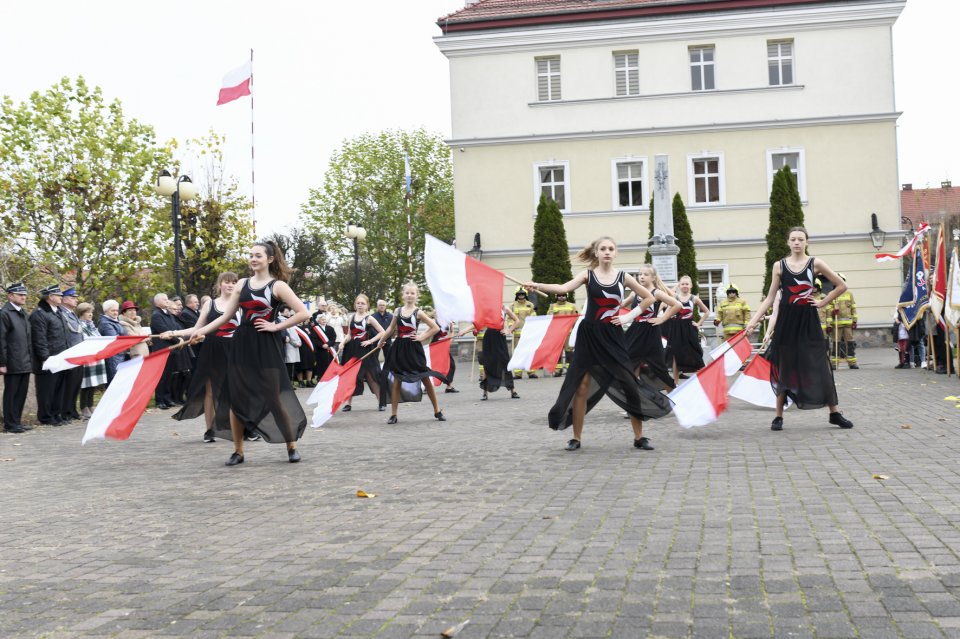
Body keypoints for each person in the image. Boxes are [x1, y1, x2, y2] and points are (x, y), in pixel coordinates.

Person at [525, 237, 672, 451]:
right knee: (582, 386)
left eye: (611, 248)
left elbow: (648, 298)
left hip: (613, 336)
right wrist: (535, 284)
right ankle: (576, 438)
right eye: (603, 248)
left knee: (629, 384)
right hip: (590, 336)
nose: (607, 252)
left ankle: (639, 437)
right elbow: (562, 287)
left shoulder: (624, 277)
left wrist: (627, 317)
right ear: (596, 252)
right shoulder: (588, 275)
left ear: (615, 252)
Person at [182, 243, 310, 465]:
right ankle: (238, 451)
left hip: (266, 344)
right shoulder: (242, 284)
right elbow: (224, 317)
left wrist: (276, 327)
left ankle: (291, 445)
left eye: (258, 255)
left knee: (273, 397)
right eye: (250, 255)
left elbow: (303, 312)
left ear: (269, 259)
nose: (252, 259)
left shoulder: (277, 286)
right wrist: (199, 332)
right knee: (235, 399)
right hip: (241, 343)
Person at [745, 226, 853, 431]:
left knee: (820, 365)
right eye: (793, 239)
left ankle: (835, 413)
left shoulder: (815, 263)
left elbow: (841, 286)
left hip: (808, 321)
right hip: (786, 321)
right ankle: (778, 417)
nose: (796, 242)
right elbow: (769, 298)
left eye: (800, 239)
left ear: (806, 242)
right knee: (783, 366)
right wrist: (753, 322)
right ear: (788, 242)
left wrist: (822, 303)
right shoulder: (779, 266)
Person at [171, 272, 240, 444]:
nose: (230, 285)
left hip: (235, 349)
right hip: (213, 350)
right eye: (226, 282)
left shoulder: (242, 304)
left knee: (237, 390)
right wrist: (173, 333)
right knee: (210, 391)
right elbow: (196, 328)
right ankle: (210, 430)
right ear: (220, 284)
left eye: (233, 282)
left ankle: (244, 427)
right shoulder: (210, 304)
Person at [380, 282, 448, 424]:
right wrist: (381, 341)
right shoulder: (397, 311)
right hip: (399, 348)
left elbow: (435, 327)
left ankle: (437, 410)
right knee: (397, 380)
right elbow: (391, 329)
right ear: (403, 295)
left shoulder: (419, 312)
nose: (410, 295)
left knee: (425, 378)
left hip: (413, 349)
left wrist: (422, 337)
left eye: (412, 293)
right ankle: (393, 415)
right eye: (407, 293)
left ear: (416, 295)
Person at [623, 264, 680, 391]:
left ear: (653, 277)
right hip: (635, 332)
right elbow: (620, 305)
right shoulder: (635, 292)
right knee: (631, 365)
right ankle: (634, 403)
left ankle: (676, 400)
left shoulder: (657, 293)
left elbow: (677, 305)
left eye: (645, 274)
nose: (641, 277)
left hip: (651, 333)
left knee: (659, 368)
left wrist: (662, 318)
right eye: (640, 274)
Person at [337, 294, 388, 412]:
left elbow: (382, 332)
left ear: (367, 305)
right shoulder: (351, 317)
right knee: (350, 377)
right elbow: (350, 334)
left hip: (365, 350)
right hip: (351, 350)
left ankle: (381, 402)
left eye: (362, 303)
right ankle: (348, 403)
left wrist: (370, 341)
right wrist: (342, 342)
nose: (360, 305)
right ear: (355, 305)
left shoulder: (369, 318)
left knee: (371, 376)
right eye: (358, 303)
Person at [30, 284, 69, 426]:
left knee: (58, 389)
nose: (61, 297)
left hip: (60, 357)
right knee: (46, 390)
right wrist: (45, 358)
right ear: (50, 297)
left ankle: (55, 413)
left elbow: (64, 335)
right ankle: (46, 417)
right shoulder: (39, 314)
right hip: (48, 359)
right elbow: (39, 339)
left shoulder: (58, 312)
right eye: (58, 295)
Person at [467, 304, 522, 401]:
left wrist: (509, 330)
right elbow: (477, 324)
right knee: (487, 363)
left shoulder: (504, 308)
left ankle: (512, 390)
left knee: (505, 362)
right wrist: (464, 331)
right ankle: (485, 392)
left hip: (500, 337)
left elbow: (517, 321)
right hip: (489, 338)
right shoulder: (487, 309)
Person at [0, 282, 33, 433]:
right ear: (10, 296)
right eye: (20, 294)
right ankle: (10, 424)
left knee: (21, 393)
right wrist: (2, 362)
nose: (23, 297)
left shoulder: (23, 313)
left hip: (24, 360)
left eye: (24, 294)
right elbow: (1, 340)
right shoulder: (4, 313)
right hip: (12, 361)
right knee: (12, 394)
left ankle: (17, 421)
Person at [664, 274, 708, 385]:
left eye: (687, 284)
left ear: (691, 285)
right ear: (679, 285)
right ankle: (675, 383)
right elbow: (667, 312)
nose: (684, 286)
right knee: (675, 354)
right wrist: (664, 318)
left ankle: (703, 381)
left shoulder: (694, 298)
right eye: (682, 284)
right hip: (676, 329)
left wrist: (698, 323)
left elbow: (706, 311)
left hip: (689, 329)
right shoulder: (675, 298)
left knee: (696, 353)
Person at [76, 302, 108, 418]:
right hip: (87, 356)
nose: (90, 314)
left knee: (93, 382)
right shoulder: (79, 325)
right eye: (87, 312)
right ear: (81, 313)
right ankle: (83, 406)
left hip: (96, 355)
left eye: (91, 312)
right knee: (86, 383)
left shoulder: (91, 325)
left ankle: (90, 405)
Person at [149, 294, 180, 409]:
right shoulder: (156, 315)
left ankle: (167, 398)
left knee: (169, 376)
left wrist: (178, 338)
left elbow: (174, 329)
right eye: (164, 299)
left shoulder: (168, 314)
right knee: (161, 376)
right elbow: (165, 331)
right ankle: (159, 400)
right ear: (157, 302)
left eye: (167, 299)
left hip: (172, 349)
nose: (167, 301)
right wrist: (179, 341)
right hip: (162, 350)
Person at [59, 287, 84, 421]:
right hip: (70, 353)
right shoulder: (62, 313)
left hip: (78, 353)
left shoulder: (72, 313)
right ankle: (66, 411)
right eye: (73, 298)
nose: (76, 300)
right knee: (68, 384)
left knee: (76, 384)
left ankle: (72, 409)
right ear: (64, 299)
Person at [830, 273, 859, 369]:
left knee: (850, 343)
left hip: (848, 324)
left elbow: (853, 308)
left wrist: (854, 321)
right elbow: (828, 309)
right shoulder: (832, 293)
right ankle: (834, 363)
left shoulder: (849, 294)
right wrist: (833, 312)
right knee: (835, 343)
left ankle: (852, 363)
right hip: (836, 324)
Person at [547, 292, 578, 377]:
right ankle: (558, 370)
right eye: (559, 295)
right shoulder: (552, 306)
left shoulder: (572, 306)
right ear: (557, 296)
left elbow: (575, 318)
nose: (561, 297)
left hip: (568, 332)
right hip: (557, 333)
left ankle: (570, 370)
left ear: (566, 296)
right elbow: (549, 318)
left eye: (563, 295)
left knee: (569, 352)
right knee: (557, 352)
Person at [510, 287, 538, 379]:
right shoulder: (512, 306)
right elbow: (509, 319)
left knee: (529, 352)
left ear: (525, 295)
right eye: (519, 294)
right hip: (517, 334)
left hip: (528, 334)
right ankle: (518, 373)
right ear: (516, 295)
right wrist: (511, 326)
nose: (521, 296)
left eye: (522, 294)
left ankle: (531, 372)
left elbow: (534, 317)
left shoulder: (530, 305)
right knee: (518, 353)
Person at [97, 300, 126, 382]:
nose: (115, 313)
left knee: (119, 380)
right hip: (112, 356)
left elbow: (126, 335)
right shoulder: (105, 323)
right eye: (112, 310)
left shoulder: (115, 321)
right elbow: (115, 339)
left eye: (116, 310)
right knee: (114, 381)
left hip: (120, 354)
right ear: (106, 311)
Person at [433, 319, 459, 393]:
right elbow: (430, 332)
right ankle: (426, 386)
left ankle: (449, 386)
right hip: (435, 346)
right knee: (433, 366)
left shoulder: (448, 322)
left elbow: (450, 337)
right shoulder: (434, 321)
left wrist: (452, 329)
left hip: (443, 346)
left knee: (451, 365)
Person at [311, 311, 338, 380]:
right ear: (318, 321)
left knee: (329, 363)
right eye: (322, 319)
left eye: (325, 319)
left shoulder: (330, 328)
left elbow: (333, 337)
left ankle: (329, 377)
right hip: (320, 350)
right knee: (321, 364)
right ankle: (320, 378)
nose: (324, 321)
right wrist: (322, 345)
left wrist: (328, 344)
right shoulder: (315, 329)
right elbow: (314, 339)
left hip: (329, 349)